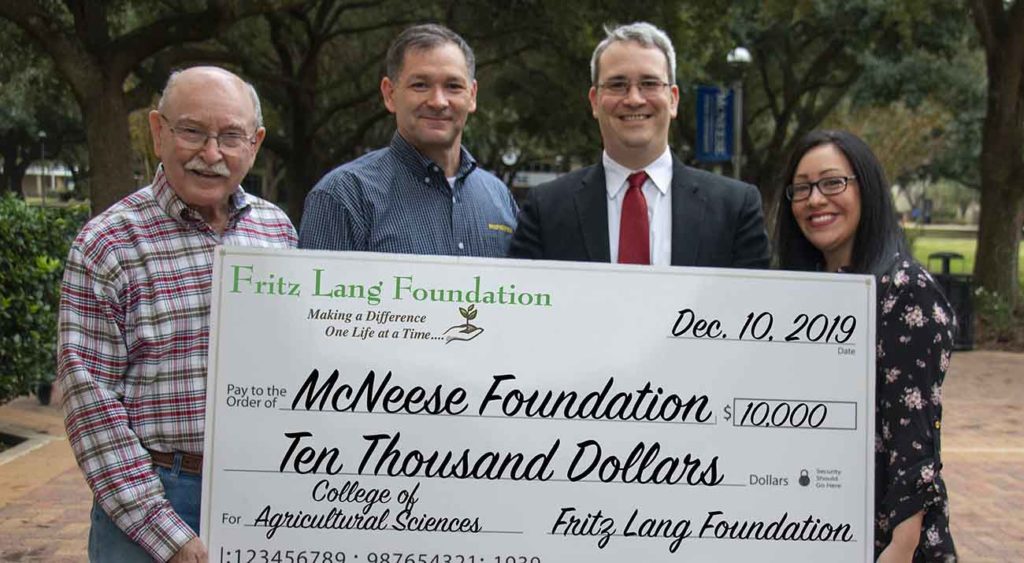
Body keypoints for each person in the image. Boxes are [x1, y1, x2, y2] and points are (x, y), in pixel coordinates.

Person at [57, 66, 298, 562]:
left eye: (230, 136)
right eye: (192, 131)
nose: (211, 154)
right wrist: (163, 530)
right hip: (152, 500)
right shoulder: (107, 244)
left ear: (255, 143)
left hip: (259, 496)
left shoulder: (278, 232)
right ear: (158, 131)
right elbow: (90, 402)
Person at [774, 130, 956, 562]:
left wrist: (899, 548)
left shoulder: (905, 290)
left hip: (883, 536)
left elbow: (915, 434)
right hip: (810, 524)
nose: (816, 199)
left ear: (867, 188)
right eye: (802, 188)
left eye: (833, 182)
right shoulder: (800, 293)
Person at [509, 22, 769, 268]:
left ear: (673, 99)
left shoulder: (735, 208)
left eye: (649, 83)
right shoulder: (545, 210)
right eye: (617, 84)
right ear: (594, 101)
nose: (634, 99)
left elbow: (752, 307)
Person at [299, 23, 517, 256]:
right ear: (389, 94)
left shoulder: (499, 198)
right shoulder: (344, 196)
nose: (438, 101)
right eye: (420, 85)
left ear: (472, 96)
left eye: (453, 86)